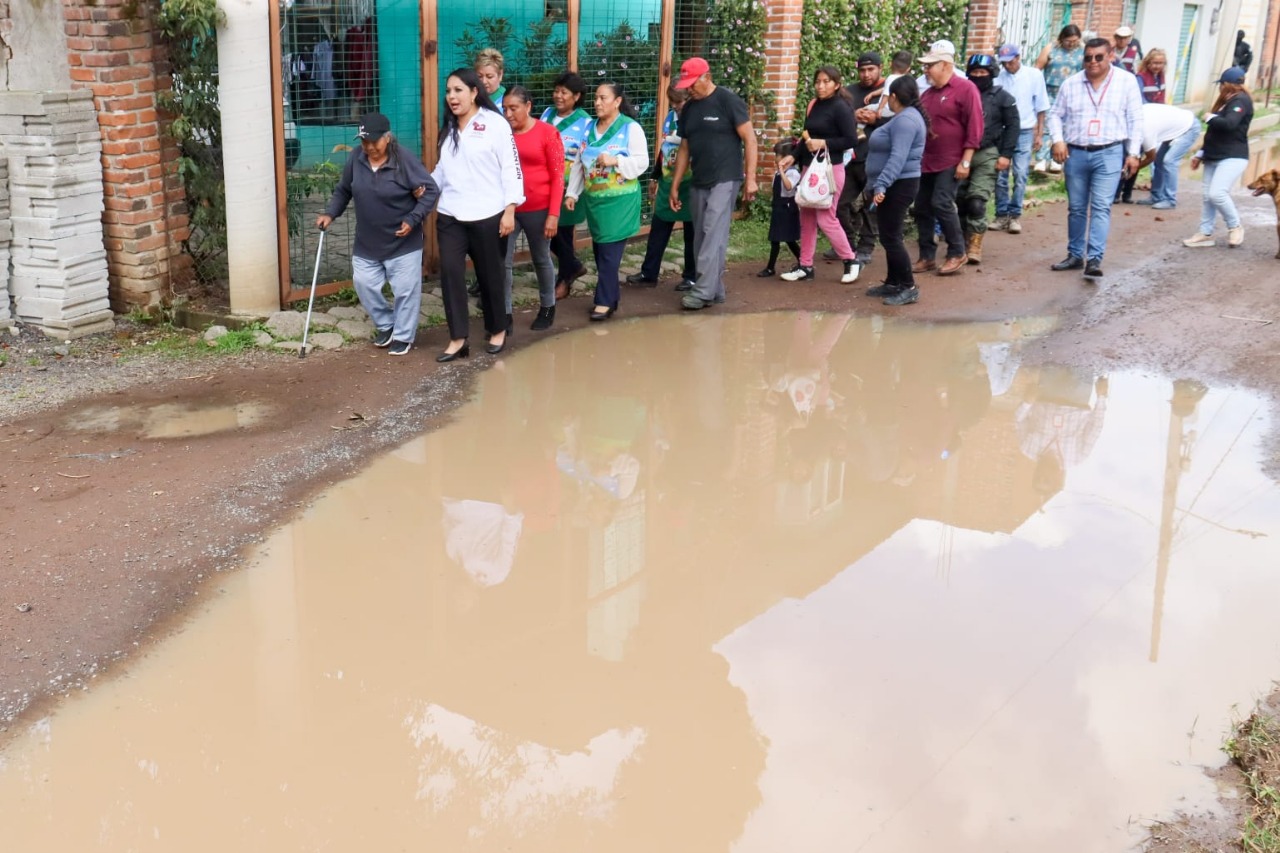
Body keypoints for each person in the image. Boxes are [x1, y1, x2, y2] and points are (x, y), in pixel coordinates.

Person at [317, 112, 439, 357]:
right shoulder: (356, 158)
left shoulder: (403, 159)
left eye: (374, 141)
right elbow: (343, 190)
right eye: (364, 141)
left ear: (387, 138)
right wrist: (330, 214)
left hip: (402, 241)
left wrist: (413, 219)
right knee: (364, 284)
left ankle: (403, 335)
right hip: (368, 240)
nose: (369, 147)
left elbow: (431, 190)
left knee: (405, 290)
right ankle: (386, 324)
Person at [431, 68, 524, 362]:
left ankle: (497, 329)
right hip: (450, 215)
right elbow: (443, 171)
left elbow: (511, 167)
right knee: (450, 274)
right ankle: (458, 338)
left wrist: (510, 209)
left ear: (474, 92)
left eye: (458, 90)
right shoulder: (448, 129)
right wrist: (422, 189)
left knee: (490, 276)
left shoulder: (495, 124)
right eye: (448, 91)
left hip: (488, 215)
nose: (451, 97)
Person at [1046, 37, 1143, 280]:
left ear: (1110, 55)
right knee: (1077, 207)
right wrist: (1058, 139)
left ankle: (1094, 258)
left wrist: (1133, 153)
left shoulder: (1126, 82)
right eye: (1088, 57)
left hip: (1110, 152)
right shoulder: (1071, 84)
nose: (1093, 62)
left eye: (1099, 57)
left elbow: (1135, 119)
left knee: (1101, 206)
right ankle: (1075, 255)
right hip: (1076, 152)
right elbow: (1055, 115)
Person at [668, 56, 759, 311]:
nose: (688, 89)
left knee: (712, 231)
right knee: (701, 236)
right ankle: (715, 289)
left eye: (692, 84)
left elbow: (750, 140)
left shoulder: (728, 101)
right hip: (699, 180)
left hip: (725, 178)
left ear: (706, 77)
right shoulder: (689, 109)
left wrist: (750, 179)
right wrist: (676, 184)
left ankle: (703, 290)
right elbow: (684, 147)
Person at [564, 82, 649, 321]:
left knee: (610, 252)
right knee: (601, 250)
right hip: (596, 202)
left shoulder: (631, 129)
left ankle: (603, 301)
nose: (598, 103)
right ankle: (612, 298)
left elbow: (642, 163)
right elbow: (580, 165)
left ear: (617, 101)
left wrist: (615, 161)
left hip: (620, 202)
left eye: (603, 98)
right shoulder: (589, 128)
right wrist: (572, 193)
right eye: (596, 98)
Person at [780, 65, 860, 284]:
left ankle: (851, 260)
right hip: (808, 168)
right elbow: (807, 137)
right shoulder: (813, 105)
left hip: (830, 170)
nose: (821, 86)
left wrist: (824, 143)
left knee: (826, 218)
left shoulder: (841, 108)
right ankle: (805, 266)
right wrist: (794, 157)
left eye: (826, 81)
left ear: (837, 84)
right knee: (806, 217)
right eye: (818, 82)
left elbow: (851, 140)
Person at [915, 39, 984, 276]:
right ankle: (926, 256)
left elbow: (975, 127)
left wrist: (966, 160)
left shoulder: (966, 89)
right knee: (922, 207)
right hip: (927, 160)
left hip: (952, 160)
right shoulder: (928, 94)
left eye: (930, 65)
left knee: (941, 202)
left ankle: (957, 251)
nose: (926, 70)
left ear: (945, 65)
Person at [503, 86, 564, 331]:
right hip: (509, 208)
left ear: (528, 106)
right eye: (505, 108)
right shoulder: (503, 134)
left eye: (513, 108)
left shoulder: (548, 133)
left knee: (541, 258)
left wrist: (553, 214)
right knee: (503, 262)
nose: (508, 113)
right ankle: (504, 314)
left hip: (539, 208)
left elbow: (558, 176)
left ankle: (548, 307)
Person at [863, 75, 927, 306]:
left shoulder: (906, 121)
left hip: (898, 184)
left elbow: (898, 157)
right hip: (896, 183)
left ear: (894, 97)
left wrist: (882, 184)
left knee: (891, 237)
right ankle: (893, 282)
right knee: (889, 235)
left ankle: (908, 286)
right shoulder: (905, 117)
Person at [627, 84, 697, 290]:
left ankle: (691, 276)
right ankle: (649, 273)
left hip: (691, 183)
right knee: (658, 228)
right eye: (672, 101)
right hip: (668, 181)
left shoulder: (696, 118)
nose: (675, 105)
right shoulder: (670, 117)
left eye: (679, 101)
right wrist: (655, 177)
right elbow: (664, 149)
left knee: (691, 233)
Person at [823, 52, 886, 266]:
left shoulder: (888, 93)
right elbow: (835, 119)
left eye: (871, 69)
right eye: (862, 70)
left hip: (876, 160)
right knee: (838, 203)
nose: (866, 74)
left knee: (872, 205)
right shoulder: (848, 92)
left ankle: (866, 246)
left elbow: (899, 122)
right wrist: (853, 116)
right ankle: (846, 243)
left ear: (881, 68)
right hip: (850, 159)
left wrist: (877, 119)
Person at [957, 53, 1019, 264]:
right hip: (959, 152)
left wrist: (1006, 155)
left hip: (987, 153)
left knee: (976, 202)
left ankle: (975, 243)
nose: (978, 76)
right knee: (959, 200)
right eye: (974, 73)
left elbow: (1013, 127)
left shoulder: (1003, 97)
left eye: (983, 72)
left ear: (991, 73)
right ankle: (960, 241)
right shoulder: (961, 93)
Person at [1183, 67, 1253, 250]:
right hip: (1213, 154)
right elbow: (1214, 134)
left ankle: (1235, 226)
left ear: (1225, 84)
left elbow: (1229, 124)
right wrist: (1200, 154)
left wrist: (1210, 118)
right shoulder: (1226, 102)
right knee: (1207, 196)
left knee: (1217, 193)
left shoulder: (1241, 101)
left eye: (1221, 85)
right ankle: (1205, 233)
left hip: (1233, 156)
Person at [540, 71, 593, 298]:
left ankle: (565, 278)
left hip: (568, 186)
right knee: (544, 231)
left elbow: (584, 157)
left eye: (564, 92)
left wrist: (574, 191)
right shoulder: (547, 113)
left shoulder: (586, 122)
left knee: (562, 232)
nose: (558, 96)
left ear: (577, 96)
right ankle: (572, 266)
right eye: (556, 91)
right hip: (543, 183)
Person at [993, 43, 1049, 234]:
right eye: (1004, 63)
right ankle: (1001, 214)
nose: (1007, 66)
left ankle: (1015, 214)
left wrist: (1039, 133)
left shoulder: (1034, 75)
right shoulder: (999, 79)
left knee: (1020, 173)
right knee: (1000, 175)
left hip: (1025, 130)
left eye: (1010, 61)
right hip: (1002, 130)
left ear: (1018, 58)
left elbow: (1041, 106)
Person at [1115, 48, 1170, 204]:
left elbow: (1162, 98)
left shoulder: (1161, 77)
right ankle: (1116, 193)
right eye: (1154, 62)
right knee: (1128, 157)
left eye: (1160, 63)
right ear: (1148, 62)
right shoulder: (1140, 78)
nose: (1157, 66)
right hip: (1141, 120)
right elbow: (1139, 101)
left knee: (1137, 158)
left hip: (1154, 121)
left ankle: (1127, 194)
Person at [1133, 103, 1200, 209]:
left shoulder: (1146, 130)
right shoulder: (1136, 115)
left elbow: (1150, 157)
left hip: (1189, 127)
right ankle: (1156, 196)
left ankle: (1170, 199)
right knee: (1159, 161)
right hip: (1173, 128)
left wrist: (1135, 168)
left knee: (1169, 161)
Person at [1036, 24, 1084, 171]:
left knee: (1065, 126)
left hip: (1072, 93)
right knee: (1048, 125)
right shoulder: (1051, 48)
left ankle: (1056, 159)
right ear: (1062, 38)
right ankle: (1041, 159)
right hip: (1050, 91)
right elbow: (1037, 68)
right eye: (1068, 41)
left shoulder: (1082, 50)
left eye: (1074, 41)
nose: (1071, 44)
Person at [760, 139, 801, 277]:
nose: (775, 158)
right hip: (778, 207)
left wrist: (782, 172)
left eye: (777, 155)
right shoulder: (778, 173)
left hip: (788, 208)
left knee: (789, 239)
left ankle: (804, 262)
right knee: (775, 238)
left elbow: (789, 186)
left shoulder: (793, 173)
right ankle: (770, 267)